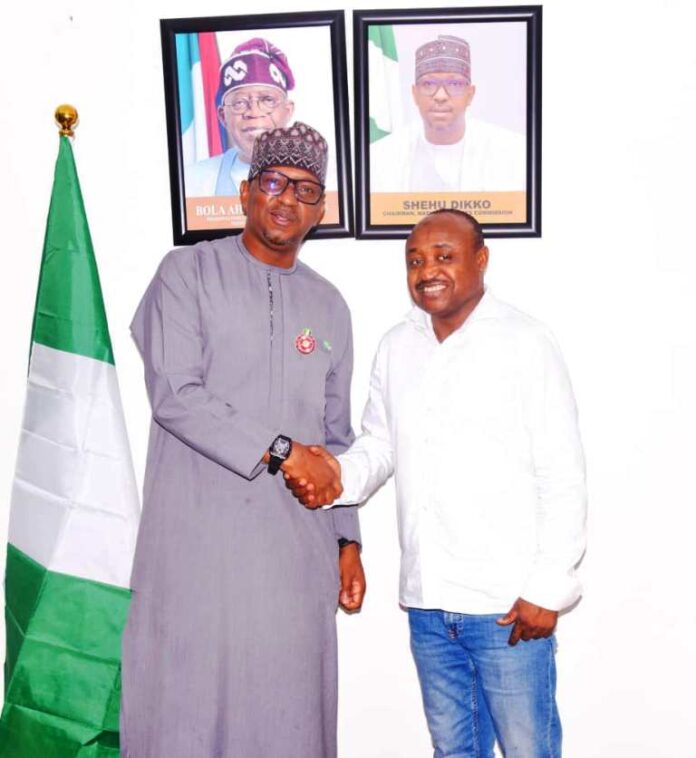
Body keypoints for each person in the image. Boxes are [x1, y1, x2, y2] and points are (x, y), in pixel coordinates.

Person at [288, 209, 587, 757]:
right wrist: (335, 476)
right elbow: (378, 446)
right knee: (453, 752)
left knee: (530, 752)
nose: (428, 269)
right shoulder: (397, 345)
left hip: (508, 608)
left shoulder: (526, 342)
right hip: (428, 606)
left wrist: (549, 588)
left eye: (444, 256)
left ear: (481, 259)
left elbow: (562, 474)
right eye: (415, 259)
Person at [121, 121, 365, 758]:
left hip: (294, 558)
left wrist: (346, 541)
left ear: (320, 210)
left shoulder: (331, 305)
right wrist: (283, 450)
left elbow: (336, 438)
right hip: (195, 551)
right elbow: (176, 394)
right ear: (246, 191)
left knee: (287, 722)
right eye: (274, 181)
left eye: (305, 189)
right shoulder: (185, 273)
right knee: (186, 716)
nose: (287, 199)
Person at [370, 35, 526, 193]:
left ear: (470, 94)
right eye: (428, 84)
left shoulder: (513, 153)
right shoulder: (380, 157)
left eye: (454, 84)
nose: (440, 96)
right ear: (414, 94)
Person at [184, 38, 296, 197]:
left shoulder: (329, 177)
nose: (254, 112)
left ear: (288, 111)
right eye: (239, 103)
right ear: (223, 116)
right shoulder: (191, 183)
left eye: (268, 100)